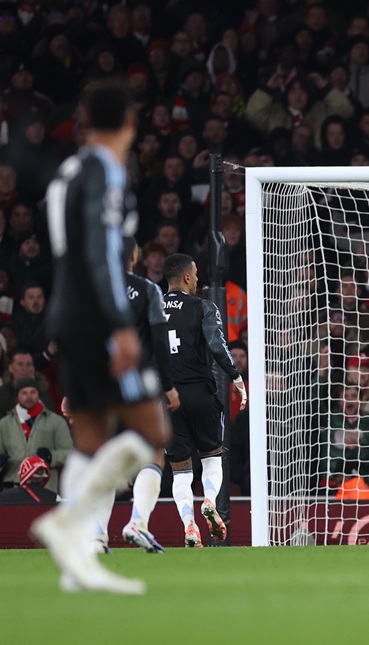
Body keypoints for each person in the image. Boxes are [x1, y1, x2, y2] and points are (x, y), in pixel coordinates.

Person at [32, 80, 171, 595]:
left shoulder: (68, 170)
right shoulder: (106, 173)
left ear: (84, 120)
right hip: (96, 322)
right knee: (153, 433)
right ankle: (70, 525)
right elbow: (101, 252)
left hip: (66, 315)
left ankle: (79, 562)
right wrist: (119, 325)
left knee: (90, 441)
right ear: (131, 122)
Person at [92, 237, 181, 554]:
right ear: (134, 255)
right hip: (139, 385)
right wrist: (168, 385)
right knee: (154, 451)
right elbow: (160, 341)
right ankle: (137, 522)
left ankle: (96, 536)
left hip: (101, 385)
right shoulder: (147, 290)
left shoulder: (92, 290)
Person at [162, 253, 246, 547]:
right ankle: (210, 500)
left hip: (166, 399)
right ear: (186, 277)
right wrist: (236, 378)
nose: (198, 278)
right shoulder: (202, 306)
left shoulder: (150, 309)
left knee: (180, 471)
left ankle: (189, 526)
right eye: (195, 273)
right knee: (212, 458)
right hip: (199, 392)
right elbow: (217, 344)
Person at [0, 378, 72, 491]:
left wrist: (51, 457)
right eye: (24, 393)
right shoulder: (4, 424)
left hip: (45, 489)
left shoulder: (56, 421)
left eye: (33, 392)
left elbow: (70, 453)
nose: (29, 397)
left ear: (39, 394)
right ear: (17, 396)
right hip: (13, 489)